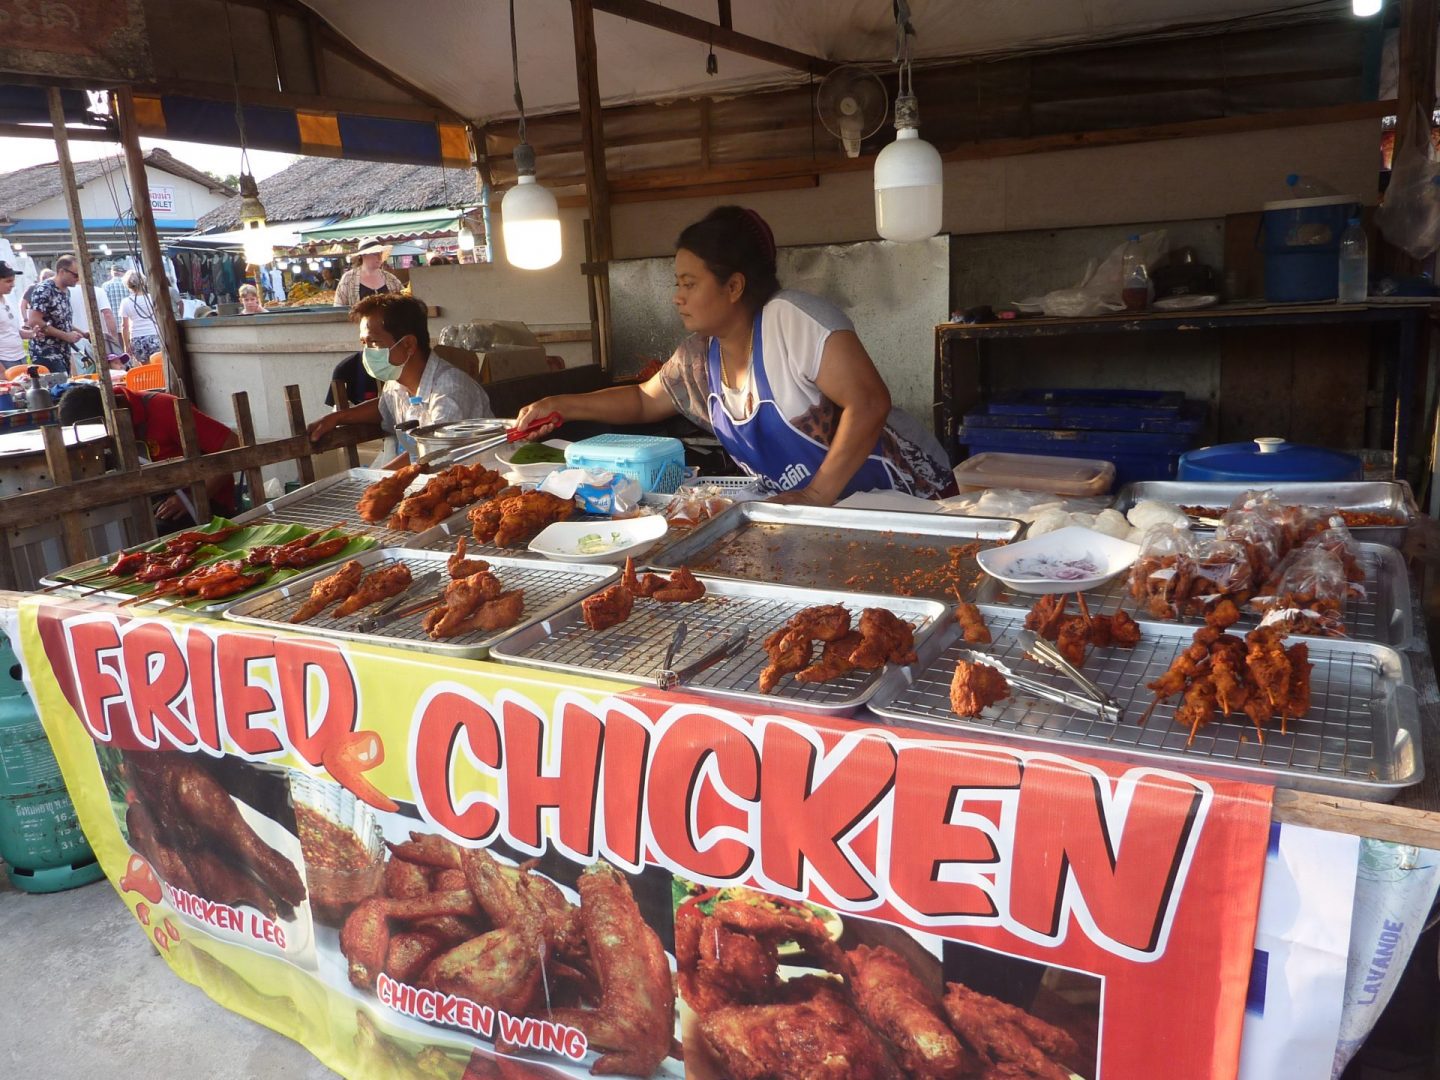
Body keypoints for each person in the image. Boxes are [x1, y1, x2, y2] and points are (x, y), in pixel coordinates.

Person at [516, 206, 953, 505]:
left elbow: (869, 401)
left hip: (903, 502)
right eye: (677, 284)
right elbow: (644, 399)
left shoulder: (790, 320)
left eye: (689, 283)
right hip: (818, 514)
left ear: (734, 286)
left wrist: (817, 495)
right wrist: (562, 404)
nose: (677, 297)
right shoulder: (697, 358)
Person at [307, 292, 491, 469]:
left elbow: (434, 454)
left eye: (374, 342)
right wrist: (339, 417)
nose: (367, 352)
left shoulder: (450, 390)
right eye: (364, 343)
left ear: (408, 344)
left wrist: (380, 479)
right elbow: (383, 408)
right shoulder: (396, 383)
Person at [58, 382, 240, 525]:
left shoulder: (164, 408)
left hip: (204, 502)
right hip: (154, 500)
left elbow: (232, 445)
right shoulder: (102, 422)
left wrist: (193, 496)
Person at [26, 255, 86, 374]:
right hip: (46, 352)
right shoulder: (44, 289)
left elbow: (60, 320)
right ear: (62, 271)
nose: (78, 279)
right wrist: (65, 336)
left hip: (62, 350)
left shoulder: (66, 291)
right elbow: (34, 321)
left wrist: (82, 333)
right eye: (75, 275)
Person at [333, 241, 402, 309]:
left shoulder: (391, 279)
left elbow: (404, 302)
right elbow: (338, 309)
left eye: (380, 253)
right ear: (364, 255)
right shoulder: (348, 279)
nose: (379, 257)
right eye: (375, 253)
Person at [119, 270, 163, 366]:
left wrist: (126, 345)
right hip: (154, 334)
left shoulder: (125, 302)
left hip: (137, 338)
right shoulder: (152, 298)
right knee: (159, 365)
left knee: (145, 368)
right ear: (143, 281)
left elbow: (124, 326)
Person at [0, 261, 36, 366]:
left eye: (13, 280)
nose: (13, 285)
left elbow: (11, 331)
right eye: (8, 281)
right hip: (4, 361)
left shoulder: (7, 299)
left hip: (20, 357)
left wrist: (32, 334)